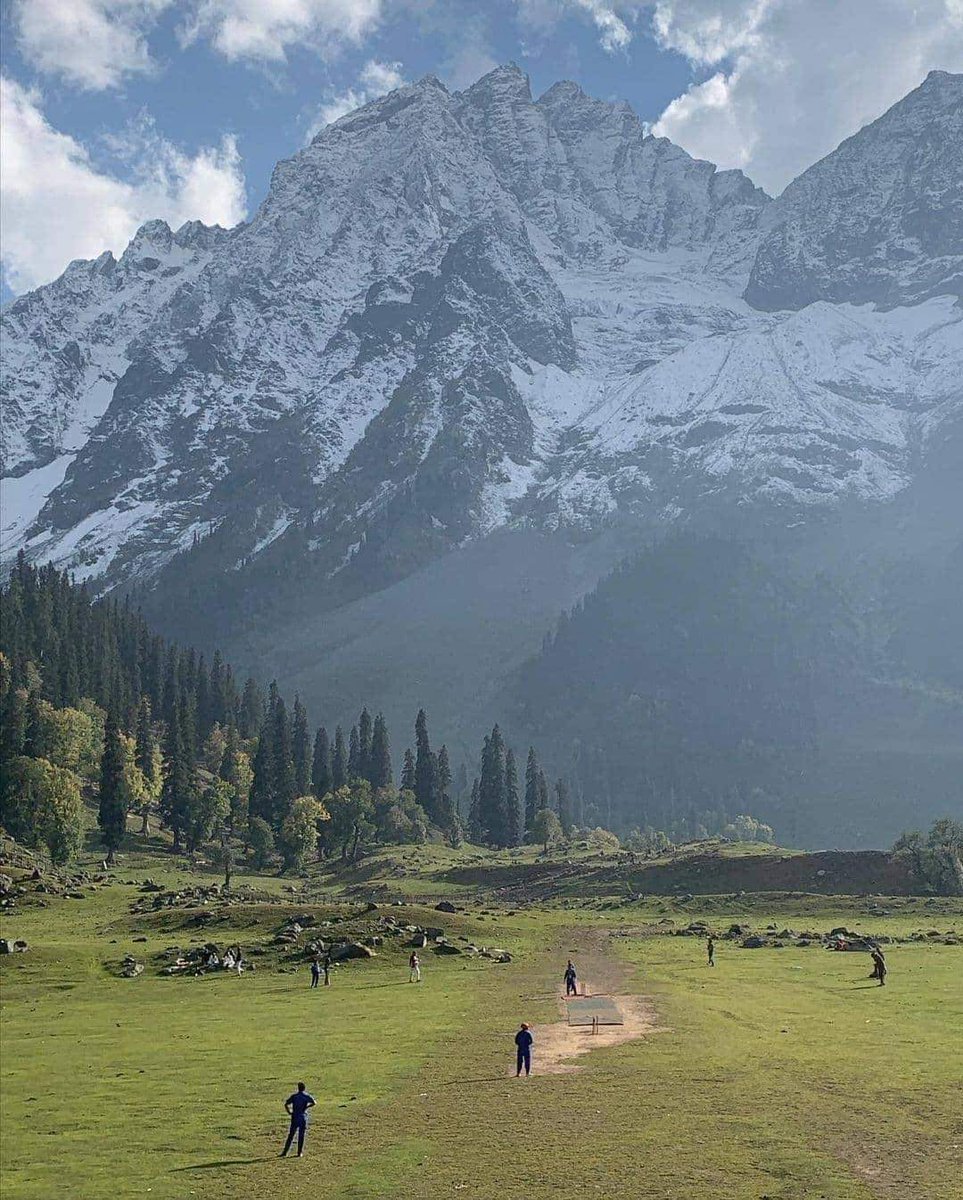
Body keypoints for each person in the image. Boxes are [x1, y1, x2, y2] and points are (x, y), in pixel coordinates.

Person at [280, 1082, 316, 1157]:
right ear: (304, 1088)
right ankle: (299, 1153)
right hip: (303, 1117)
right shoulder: (306, 1096)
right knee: (301, 1135)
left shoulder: (294, 1096)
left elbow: (286, 1104)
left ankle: (285, 1152)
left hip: (295, 1116)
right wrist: (307, 1107)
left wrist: (289, 1112)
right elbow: (314, 1102)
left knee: (291, 1135)